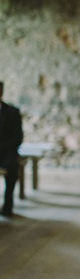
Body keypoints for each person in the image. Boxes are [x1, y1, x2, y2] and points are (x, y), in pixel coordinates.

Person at [0, 81, 23, 217]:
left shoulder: (13, 112)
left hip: (6, 153)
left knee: (13, 167)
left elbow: (18, 137)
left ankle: (8, 204)